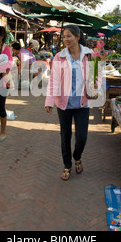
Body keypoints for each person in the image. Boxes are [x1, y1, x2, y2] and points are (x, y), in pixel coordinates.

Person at [45, 24, 95, 181]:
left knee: (82, 137)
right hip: (64, 104)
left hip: (82, 104)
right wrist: (49, 101)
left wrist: (95, 87)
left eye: (69, 36)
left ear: (78, 37)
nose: (66, 39)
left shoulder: (91, 55)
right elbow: (53, 81)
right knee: (65, 136)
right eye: (64, 36)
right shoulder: (59, 56)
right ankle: (67, 165)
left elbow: (97, 74)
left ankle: (77, 156)